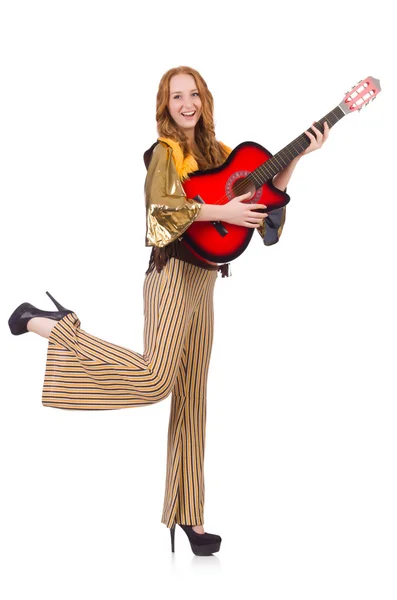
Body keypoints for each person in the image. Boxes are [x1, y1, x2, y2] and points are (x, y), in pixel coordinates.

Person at [8, 66, 329, 556]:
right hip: (170, 276)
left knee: (192, 401)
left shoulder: (221, 154)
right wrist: (223, 213)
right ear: (165, 103)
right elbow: (161, 208)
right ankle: (55, 325)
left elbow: (262, 200)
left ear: (204, 99)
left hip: (205, 282)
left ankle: (190, 517)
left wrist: (300, 157)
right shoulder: (165, 152)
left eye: (193, 93)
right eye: (176, 95)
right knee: (158, 380)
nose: (186, 103)